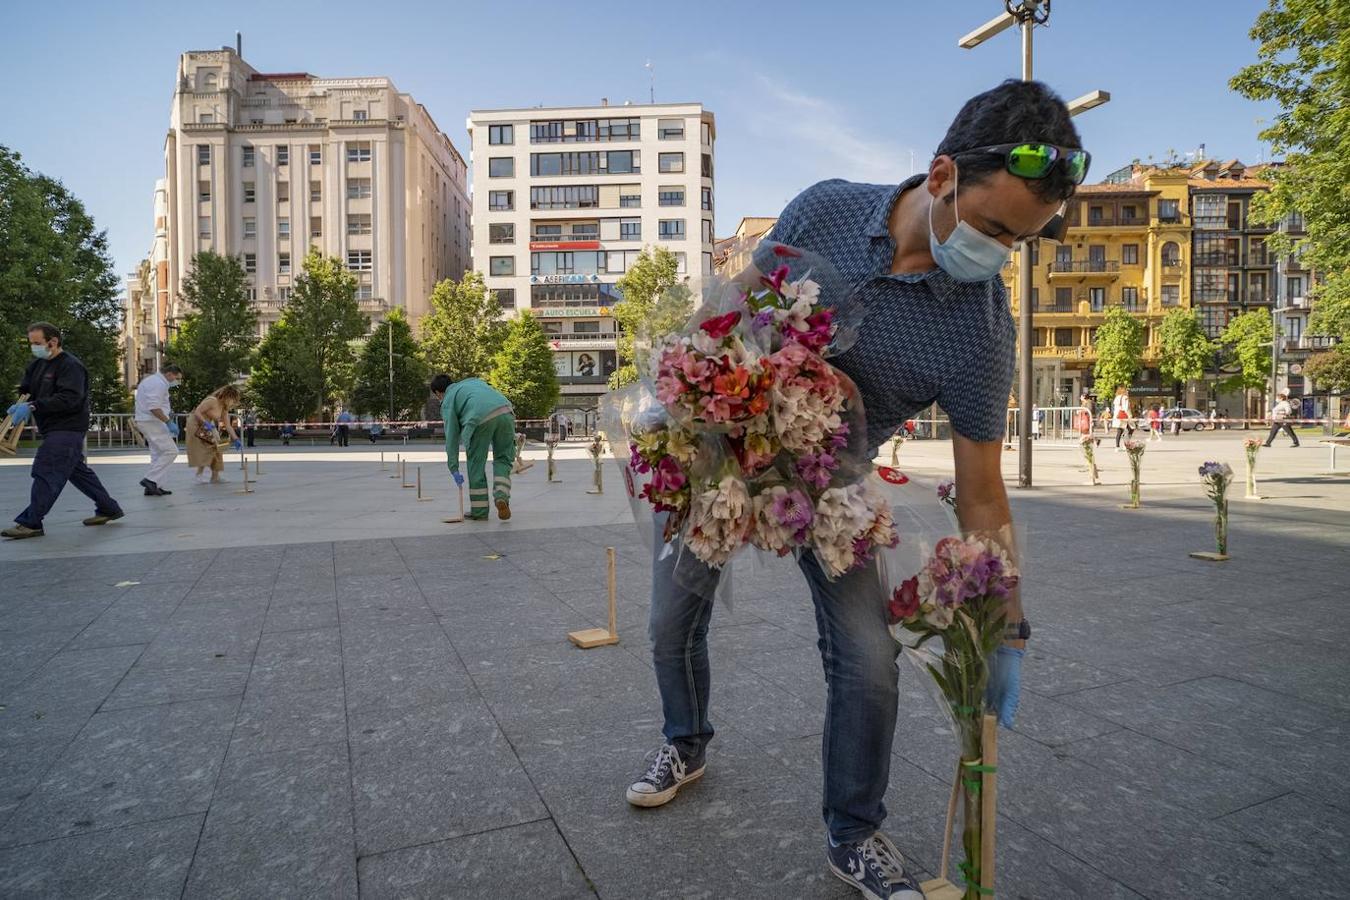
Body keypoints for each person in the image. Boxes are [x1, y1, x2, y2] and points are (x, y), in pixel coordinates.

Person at [627, 80, 1075, 900]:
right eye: (995, 228)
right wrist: (684, 391)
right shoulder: (827, 209)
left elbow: (980, 489)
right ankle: (685, 742)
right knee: (669, 620)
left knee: (869, 658)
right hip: (724, 446)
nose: (1003, 253)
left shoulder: (981, 328)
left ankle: (854, 833)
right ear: (941, 177)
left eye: (1023, 240)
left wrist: (1005, 626)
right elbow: (734, 307)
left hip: (832, 491)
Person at [3, 323, 124, 539]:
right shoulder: (37, 365)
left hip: (68, 427)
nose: (34, 347)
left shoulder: (71, 366)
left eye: (37, 343)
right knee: (77, 471)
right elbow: (27, 389)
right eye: (31, 343)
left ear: (53, 341)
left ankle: (31, 522)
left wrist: (33, 406)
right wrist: (20, 401)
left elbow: (69, 398)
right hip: (51, 428)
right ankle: (109, 508)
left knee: (47, 469)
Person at [429, 373, 516, 521]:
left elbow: (451, 436)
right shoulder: (473, 382)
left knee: (476, 464)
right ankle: (501, 496)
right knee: (503, 458)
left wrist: (453, 467)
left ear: (438, 393)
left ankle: (480, 511)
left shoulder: (448, 399)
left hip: (479, 419)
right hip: (506, 411)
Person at [134, 362, 183, 496]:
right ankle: (150, 480)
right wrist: (168, 422)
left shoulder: (153, 381)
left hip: (149, 421)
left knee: (158, 454)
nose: (177, 381)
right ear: (169, 374)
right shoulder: (158, 384)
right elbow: (154, 407)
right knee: (171, 451)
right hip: (152, 422)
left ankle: (155, 486)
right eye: (177, 378)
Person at [187, 385, 242, 483]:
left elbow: (228, 425)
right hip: (196, 423)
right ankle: (198, 475)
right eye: (232, 399)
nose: (232, 402)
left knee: (219, 447)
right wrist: (205, 423)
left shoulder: (224, 408)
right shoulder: (212, 400)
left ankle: (215, 477)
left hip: (208, 425)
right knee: (207, 449)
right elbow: (197, 412)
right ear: (226, 396)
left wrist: (236, 439)